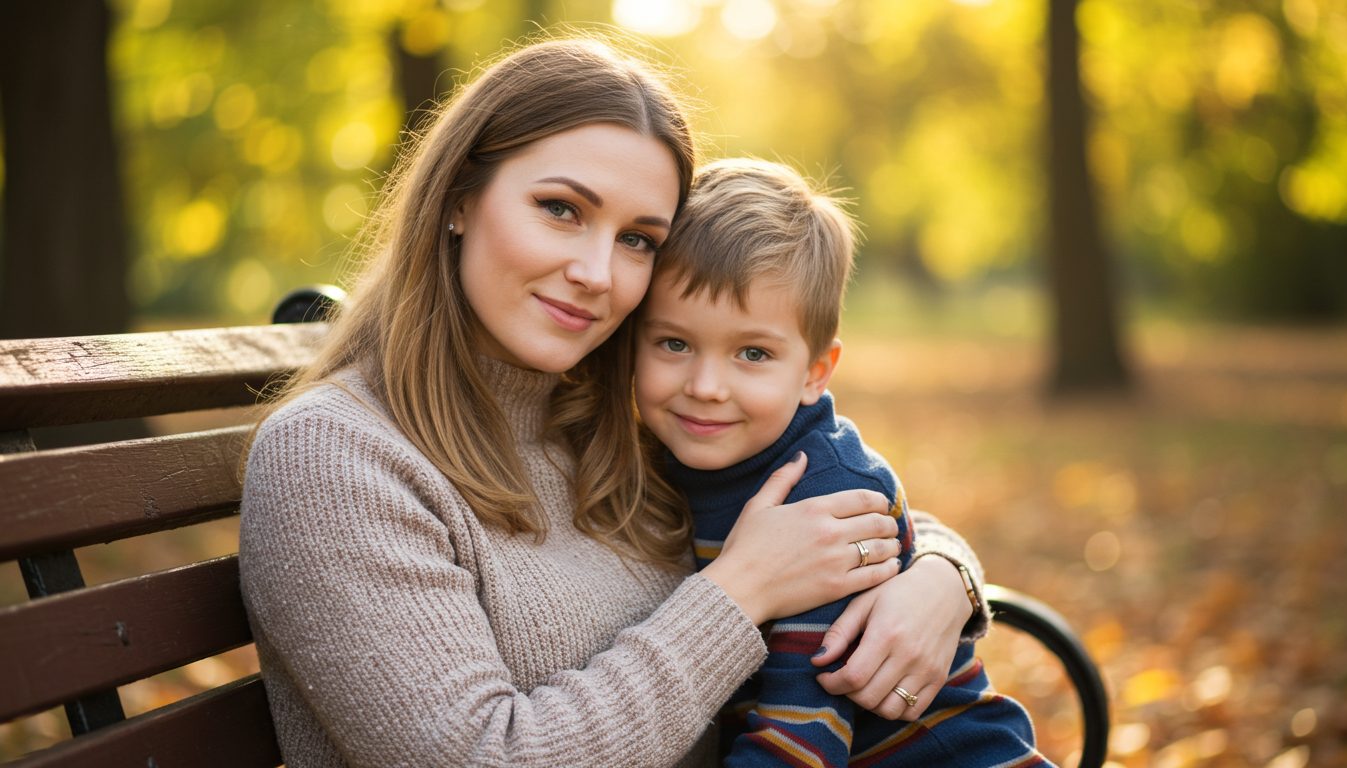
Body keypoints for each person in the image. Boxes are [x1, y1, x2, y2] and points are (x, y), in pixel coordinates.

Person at [239, 36, 988, 767]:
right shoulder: (335, 460)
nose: (597, 272)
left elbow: (818, 512)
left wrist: (943, 579)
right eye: (562, 209)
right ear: (459, 198)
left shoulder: (604, 423)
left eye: (637, 239)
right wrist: (740, 592)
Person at [633, 158, 1051, 766]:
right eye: (674, 343)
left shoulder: (827, 501)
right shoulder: (667, 456)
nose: (705, 385)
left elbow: (803, 732)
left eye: (752, 353)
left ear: (815, 372)